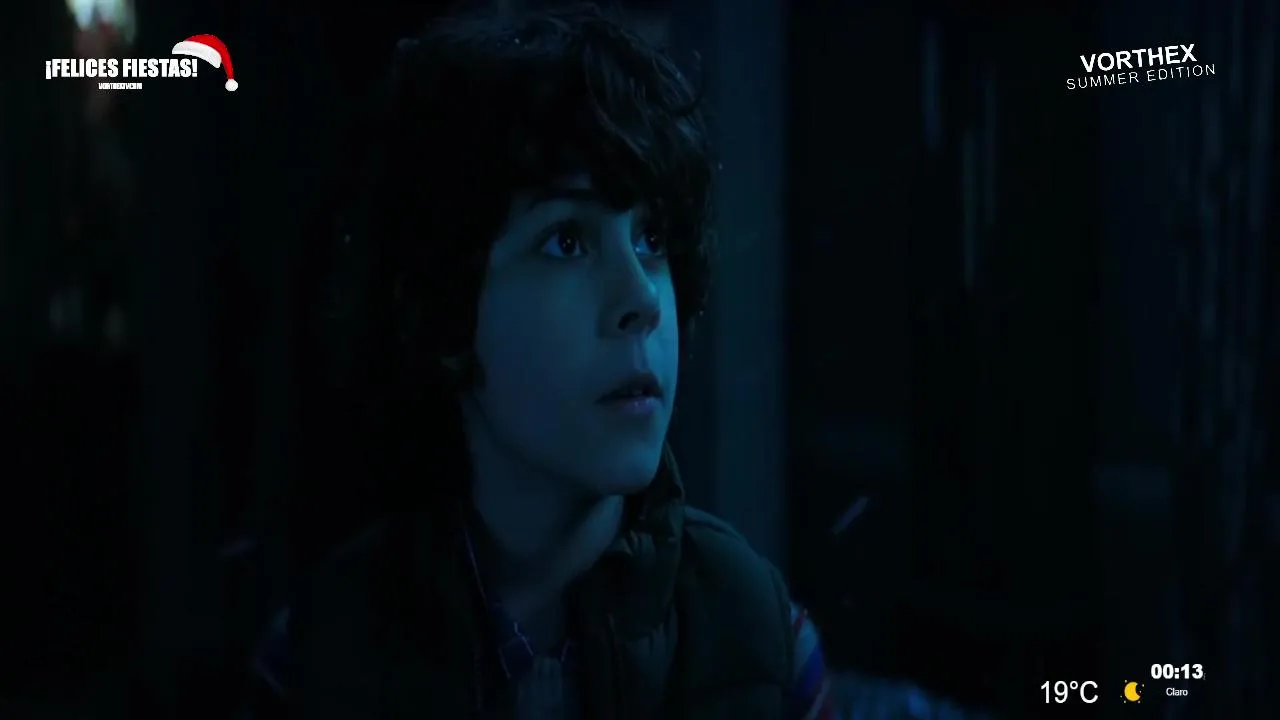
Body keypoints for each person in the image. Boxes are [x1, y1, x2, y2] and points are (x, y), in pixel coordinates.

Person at [250, 4, 834, 718]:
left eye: (650, 238)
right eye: (567, 241)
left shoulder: (765, 648)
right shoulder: (317, 660)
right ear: (442, 307)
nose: (641, 299)